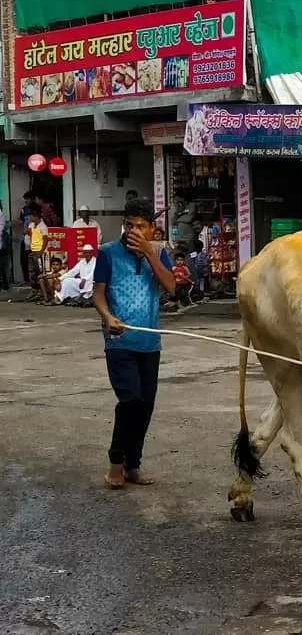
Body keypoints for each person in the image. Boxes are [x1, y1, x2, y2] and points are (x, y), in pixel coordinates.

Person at [93, 198, 176, 489]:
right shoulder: (107, 254)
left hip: (149, 342)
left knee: (146, 406)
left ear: (152, 229)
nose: (134, 231)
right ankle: (115, 463)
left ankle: (133, 465)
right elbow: (98, 293)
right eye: (130, 225)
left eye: (141, 226)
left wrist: (150, 255)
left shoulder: (160, 254)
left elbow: (171, 287)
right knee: (130, 401)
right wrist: (107, 316)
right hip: (119, 340)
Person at [25, 207, 48, 299]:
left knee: (39, 272)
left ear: (35, 216)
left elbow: (45, 240)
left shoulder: (43, 226)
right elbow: (26, 232)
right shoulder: (31, 225)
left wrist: (41, 252)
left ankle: (42, 292)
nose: (29, 218)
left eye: (31, 216)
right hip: (32, 251)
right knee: (31, 272)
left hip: (39, 252)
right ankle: (35, 290)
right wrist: (27, 224)